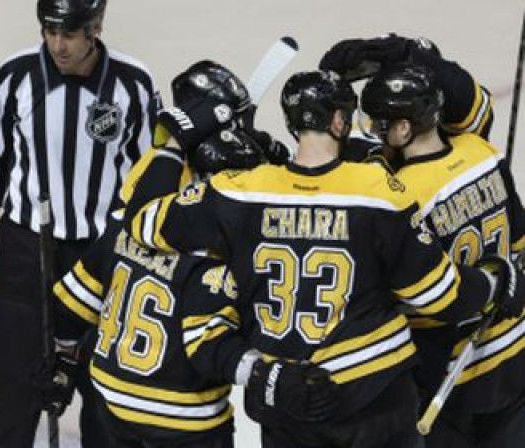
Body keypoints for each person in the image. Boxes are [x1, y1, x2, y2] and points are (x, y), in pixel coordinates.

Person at [121, 69, 525, 448]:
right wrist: (492, 280)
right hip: (375, 394)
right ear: (338, 121)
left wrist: (172, 142)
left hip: (285, 399)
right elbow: (439, 295)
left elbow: (141, 221)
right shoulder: (379, 191)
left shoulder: (239, 191)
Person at [0, 0, 160, 445]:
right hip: (25, 251)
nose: (57, 45)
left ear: (96, 27)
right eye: (50, 32)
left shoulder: (134, 84)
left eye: (68, 34)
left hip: (101, 255)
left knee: (105, 389)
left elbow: (151, 177)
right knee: (13, 386)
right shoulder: (15, 76)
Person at [51, 61, 267, 448]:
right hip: (182, 406)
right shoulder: (220, 202)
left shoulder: (155, 168)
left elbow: (85, 288)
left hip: (115, 393)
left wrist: (63, 353)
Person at [361, 63, 525, 448]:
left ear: (403, 129)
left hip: (450, 375)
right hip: (515, 356)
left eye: (380, 123)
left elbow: (408, 291)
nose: (374, 132)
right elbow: (519, 243)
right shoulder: (481, 150)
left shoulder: (401, 195)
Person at [319, 33, 495, 169]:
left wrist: (407, 52)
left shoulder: (462, 142)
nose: (374, 127)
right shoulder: (367, 143)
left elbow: (461, 92)